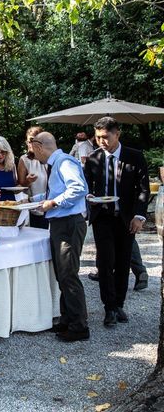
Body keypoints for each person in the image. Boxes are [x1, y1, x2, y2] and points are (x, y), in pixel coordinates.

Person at [84, 117, 149, 327]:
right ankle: (108, 307)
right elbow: (86, 187)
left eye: (105, 137)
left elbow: (143, 189)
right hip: (102, 217)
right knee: (105, 262)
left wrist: (139, 216)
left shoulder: (135, 157)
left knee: (122, 262)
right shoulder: (93, 158)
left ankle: (119, 303)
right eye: (98, 137)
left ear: (117, 134)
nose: (101, 141)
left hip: (126, 218)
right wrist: (89, 198)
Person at [29, 132, 89, 342]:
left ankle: (79, 326)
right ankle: (67, 319)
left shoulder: (63, 162)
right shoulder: (57, 164)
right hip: (61, 223)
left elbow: (79, 189)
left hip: (69, 223)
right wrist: (31, 200)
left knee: (68, 274)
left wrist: (52, 204)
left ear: (38, 146)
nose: (32, 153)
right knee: (62, 274)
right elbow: (55, 192)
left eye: (32, 149)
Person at [17, 126, 49, 229]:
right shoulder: (25, 160)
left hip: (50, 204)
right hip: (33, 207)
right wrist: (28, 181)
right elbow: (21, 186)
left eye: (32, 140)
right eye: (28, 141)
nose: (29, 144)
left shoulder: (49, 159)